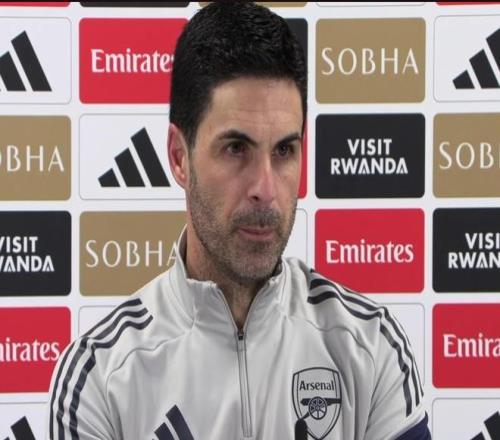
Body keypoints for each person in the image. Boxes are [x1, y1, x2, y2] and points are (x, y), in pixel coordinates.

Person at [47, 2, 430, 439]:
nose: (265, 188)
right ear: (179, 157)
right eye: (235, 149)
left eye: (284, 150)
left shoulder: (370, 345)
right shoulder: (100, 377)